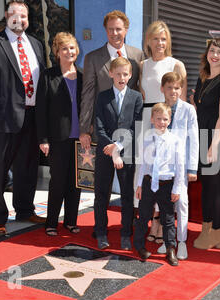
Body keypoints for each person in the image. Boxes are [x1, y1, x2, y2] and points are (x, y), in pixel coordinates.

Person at [0, 0, 46, 235]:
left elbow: (41, 80)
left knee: (28, 167)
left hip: (32, 116)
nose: (20, 20)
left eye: (24, 16)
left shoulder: (35, 44)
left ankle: (25, 209)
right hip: (2, 118)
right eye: (15, 15)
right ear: (6, 16)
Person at [138, 20, 187, 245]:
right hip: (146, 124)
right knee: (148, 173)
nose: (160, 42)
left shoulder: (176, 64)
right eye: (156, 38)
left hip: (168, 124)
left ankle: (160, 223)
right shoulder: (142, 65)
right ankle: (151, 220)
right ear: (149, 40)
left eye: (164, 38)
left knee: (165, 173)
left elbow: (181, 100)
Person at [93, 57, 143, 250]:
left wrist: (118, 147)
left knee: (127, 195)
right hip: (105, 152)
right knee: (101, 194)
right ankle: (101, 232)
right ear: (111, 74)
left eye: (125, 74)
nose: (122, 77)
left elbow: (135, 127)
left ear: (130, 75)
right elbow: (99, 126)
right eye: (118, 74)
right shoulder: (103, 96)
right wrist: (111, 147)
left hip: (126, 152)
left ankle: (125, 234)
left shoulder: (136, 97)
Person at [192, 38, 220, 250]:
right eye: (212, 50)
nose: (215, 55)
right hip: (201, 137)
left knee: (217, 187)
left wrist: (213, 145)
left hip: (216, 139)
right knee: (207, 187)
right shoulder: (203, 78)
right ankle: (207, 228)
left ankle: (217, 232)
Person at [36, 32, 82, 236]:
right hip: (57, 138)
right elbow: (41, 110)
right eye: (64, 48)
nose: (69, 52)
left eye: (72, 47)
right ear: (57, 52)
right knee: (58, 181)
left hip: (80, 139)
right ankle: (51, 222)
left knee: (76, 182)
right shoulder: (48, 75)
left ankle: (71, 221)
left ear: (77, 50)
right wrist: (43, 138)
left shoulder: (83, 75)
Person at [79, 10, 144, 150]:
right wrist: (84, 129)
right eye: (110, 29)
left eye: (118, 29)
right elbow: (88, 94)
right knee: (104, 171)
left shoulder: (138, 55)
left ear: (126, 30)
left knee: (127, 170)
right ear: (106, 30)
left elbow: (139, 88)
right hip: (103, 129)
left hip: (129, 131)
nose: (114, 33)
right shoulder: (92, 58)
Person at [133, 103, 185, 266]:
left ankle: (170, 249)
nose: (161, 122)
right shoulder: (146, 138)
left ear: (170, 120)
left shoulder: (175, 140)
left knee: (168, 218)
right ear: (152, 119)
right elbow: (142, 163)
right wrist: (139, 185)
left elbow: (180, 166)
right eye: (158, 119)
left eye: (165, 119)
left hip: (167, 184)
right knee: (144, 216)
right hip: (149, 183)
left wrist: (177, 187)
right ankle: (139, 245)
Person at [155, 72, 198, 260]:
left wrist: (192, 168)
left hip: (181, 167)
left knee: (181, 203)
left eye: (177, 88)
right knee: (165, 206)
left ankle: (181, 242)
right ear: (162, 89)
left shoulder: (189, 110)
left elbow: (194, 140)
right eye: (170, 87)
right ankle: (168, 240)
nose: (173, 91)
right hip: (163, 168)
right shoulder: (159, 109)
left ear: (182, 89)